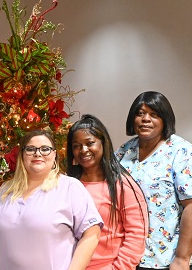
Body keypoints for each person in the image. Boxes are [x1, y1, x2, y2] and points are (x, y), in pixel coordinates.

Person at [116, 91, 192, 270]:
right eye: (140, 113)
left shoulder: (182, 152)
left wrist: (181, 259)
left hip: (167, 258)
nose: (145, 119)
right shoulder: (124, 151)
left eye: (154, 114)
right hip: (129, 255)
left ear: (165, 119)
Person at [0, 129, 103, 270]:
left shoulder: (70, 187)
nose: (38, 153)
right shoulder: (5, 190)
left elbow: (92, 234)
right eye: (31, 149)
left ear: (54, 155)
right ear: (22, 155)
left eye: (45, 149)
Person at [66, 114, 148, 269]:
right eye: (76, 146)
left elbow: (136, 235)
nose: (83, 150)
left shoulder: (123, 185)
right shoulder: (67, 184)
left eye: (90, 143)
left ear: (103, 144)